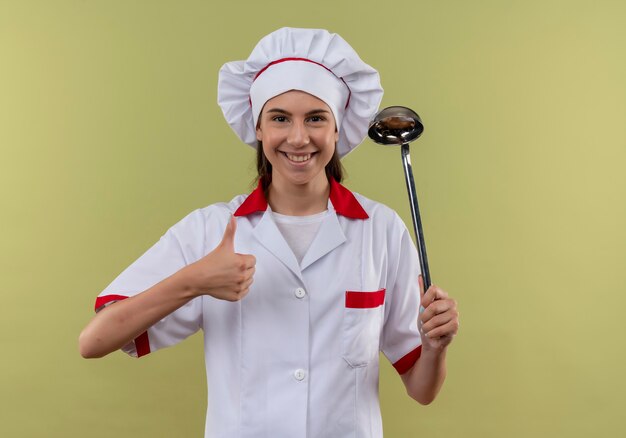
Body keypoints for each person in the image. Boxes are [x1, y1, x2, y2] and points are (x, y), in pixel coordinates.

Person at [79, 27, 459, 437]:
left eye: (316, 118)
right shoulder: (212, 230)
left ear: (337, 128)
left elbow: (422, 390)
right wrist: (195, 280)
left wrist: (435, 346)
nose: (299, 138)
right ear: (258, 129)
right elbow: (95, 340)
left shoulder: (382, 230)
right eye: (280, 118)